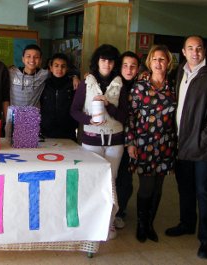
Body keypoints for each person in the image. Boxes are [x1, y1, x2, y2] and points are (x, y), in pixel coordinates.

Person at [165, 35, 207, 259]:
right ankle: (187, 223)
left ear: (204, 50)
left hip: (203, 147)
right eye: (190, 48)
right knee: (185, 188)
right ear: (183, 52)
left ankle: (206, 239)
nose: (195, 52)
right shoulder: (181, 71)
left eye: (198, 48)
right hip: (181, 143)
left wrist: (205, 138)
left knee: (204, 192)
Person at [70, 44, 127, 240]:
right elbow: (74, 110)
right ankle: (90, 221)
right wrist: (89, 120)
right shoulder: (87, 83)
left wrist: (108, 105)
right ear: (97, 62)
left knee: (110, 182)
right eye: (103, 60)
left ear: (115, 64)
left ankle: (109, 222)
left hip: (115, 141)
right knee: (91, 180)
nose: (107, 64)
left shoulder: (121, 84)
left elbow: (124, 116)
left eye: (110, 60)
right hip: (91, 139)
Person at [126, 45, 176, 243]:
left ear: (168, 63)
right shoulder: (140, 87)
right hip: (144, 143)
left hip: (165, 144)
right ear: (149, 62)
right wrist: (130, 142)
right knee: (146, 187)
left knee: (158, 187)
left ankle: (150, 224)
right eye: (154, 59)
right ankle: (141, 224)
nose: (158, 63)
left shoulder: (173, 87)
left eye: (162, 59)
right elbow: (131, 116)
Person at [114, 51, 140, 229]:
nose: (129, 69)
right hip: (112, 138)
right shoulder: (113, 83)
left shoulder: (141, 86)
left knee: (125, 178)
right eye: (125, 65)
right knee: (111, 177)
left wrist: (131, 141)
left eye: (133, 66)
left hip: (131, 139)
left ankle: (119, 211)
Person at [9, 44, 80, 108]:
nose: (32, 60)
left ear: (40, 60)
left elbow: (60, 72)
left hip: (32, 117)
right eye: (28, 56)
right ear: (23, 59)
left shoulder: (44, 74)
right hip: (13, 115)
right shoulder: (12, 72)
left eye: (36, 57)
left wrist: (75, 77)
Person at [40, 53, 78, 141]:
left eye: (63, 66)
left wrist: (75, 76)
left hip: (68, 132)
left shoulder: (73, 85)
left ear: (67, 68)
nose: (59, 69)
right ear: (51, 68)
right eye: (56, 66)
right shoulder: (44, 84)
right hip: (46, 132)